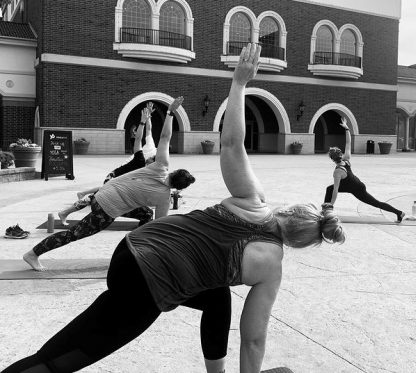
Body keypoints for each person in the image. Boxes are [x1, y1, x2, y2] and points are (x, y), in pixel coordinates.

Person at [3, 43, 345, 373]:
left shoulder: (251, 198)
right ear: (301, 243)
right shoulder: (271, 269)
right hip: (147, 281)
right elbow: (254, 341)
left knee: (216, 297)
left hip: (133, 250)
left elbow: (231, 142)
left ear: (291, 210)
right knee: (60, 359)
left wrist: (239, 83)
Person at [22, 96, 196, 272]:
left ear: (174, 172)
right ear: (177, 189)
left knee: (145, 214)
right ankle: (33, 254)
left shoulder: (160, 166)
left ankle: (134, 244)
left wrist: (170, 111)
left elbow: (165, 137)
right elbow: (159, 227)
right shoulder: (164, 199)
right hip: (106, 208)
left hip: (103, 193)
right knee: (73, 235)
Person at [58, 102, 157, 226]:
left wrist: (148, 118)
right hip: (113, 178)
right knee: (96, 197)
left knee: (141, 210)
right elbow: (139, 138)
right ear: (150, 160)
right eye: (152, 164)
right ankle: (66, 212)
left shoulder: (150, 171)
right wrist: (143, 121)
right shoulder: (140, 159)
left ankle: (78, 203)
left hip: (121, 185)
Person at [324, 118, 405, 223]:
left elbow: (336, 190)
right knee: (329, 189)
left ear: (332, 159)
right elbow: (348, 143)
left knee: (376, 203)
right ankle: (325, 211)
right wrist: (347, 128)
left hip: (356, 188)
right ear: (340, 155)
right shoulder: (346, 158)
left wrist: (331, 206)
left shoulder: (337, 172)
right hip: (352, 184)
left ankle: (399, 213)